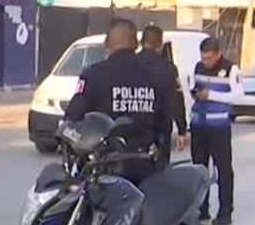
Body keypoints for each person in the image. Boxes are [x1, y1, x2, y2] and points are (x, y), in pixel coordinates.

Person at [64, 17, 174, 184]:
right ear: (136, 44)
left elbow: (72, 117)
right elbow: (165, 124)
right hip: (146, 166)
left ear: (106, 44)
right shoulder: (156, 76)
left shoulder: (93, 74)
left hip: (104, 168)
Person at [187, 37, 243, 225]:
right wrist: (194, 92)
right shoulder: (198, 67)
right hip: (198, 125)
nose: (205, 62)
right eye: (203, 58)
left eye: (209, 58)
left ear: (218, 54)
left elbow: (237, 95)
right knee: (199, 170)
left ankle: (225, 212)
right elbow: (195, 87)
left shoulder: (230, 69)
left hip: (219, 127)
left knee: (223, 170)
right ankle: (201, 210)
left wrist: (211, 95)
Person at [138, 24, 189, 167]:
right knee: (160, 173)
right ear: (160, 44)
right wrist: (182, 129)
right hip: (160, 130)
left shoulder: (130, 64)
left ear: (141, 42)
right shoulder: (168, 68)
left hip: (135, 128)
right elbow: (176, 100)